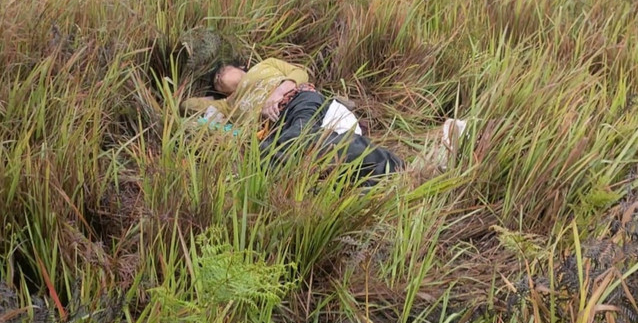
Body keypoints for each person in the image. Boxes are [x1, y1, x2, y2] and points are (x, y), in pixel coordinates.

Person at [182, 56, 466, 186]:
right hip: (277, 132)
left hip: (297, 103)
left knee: (298, 143)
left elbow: (300, 72)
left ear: (239, 66)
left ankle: (414, 171)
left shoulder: (265, 66)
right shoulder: (228, 105)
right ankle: (412, 171)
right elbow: (184, 107)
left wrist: (279, 90)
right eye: (215, 82)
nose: (219, 79)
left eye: (222, 72)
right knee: (273, 159)